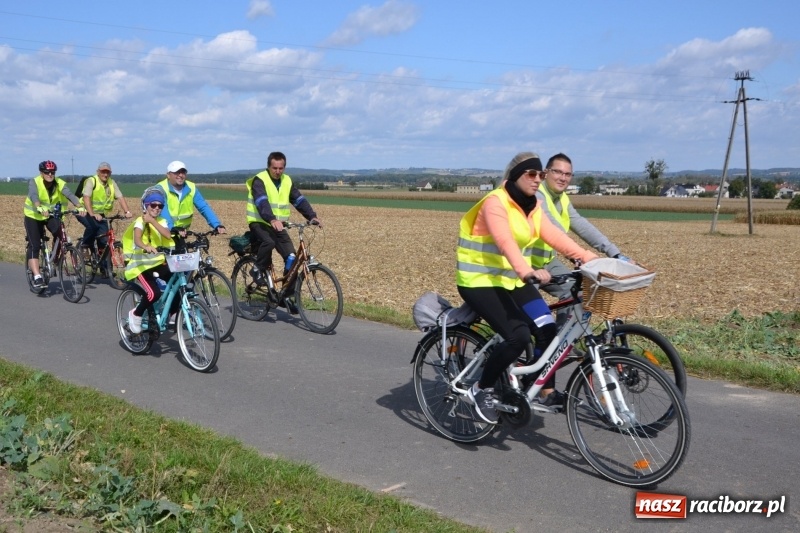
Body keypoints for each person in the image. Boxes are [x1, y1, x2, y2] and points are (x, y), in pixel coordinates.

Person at [456, 152, 599, 424]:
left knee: (546, 328)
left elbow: (555, 237)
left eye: (540, 175)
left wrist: (592, 260)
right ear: (515, 176)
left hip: (510, 280)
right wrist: (527, 271)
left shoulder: (532, 206)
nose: (537, 180)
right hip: (479, 281)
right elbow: (505, 241)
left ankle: (527, 388)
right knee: (518, 336)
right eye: (531, 174)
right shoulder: (495, 202)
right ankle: (480, 389)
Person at [534, 153, 631, 304]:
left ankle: (566, 328)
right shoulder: (536, 194)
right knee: (531, 312)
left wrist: (616, 253)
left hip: (545, 261)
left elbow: (582, 225)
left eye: (567, 174)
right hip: (523, 261)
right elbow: (554, 229)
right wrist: (578, 257)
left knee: (577, 294)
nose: (563, 178)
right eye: (557, 172)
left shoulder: (561, 198)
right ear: (546, 173)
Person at [245, 151, 322, 312]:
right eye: (275, 168)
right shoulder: (260, 180)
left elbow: (298, 200)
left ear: (284, 167)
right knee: (269, 242)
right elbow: (261, 202)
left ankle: (285, 296)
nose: (278, 171)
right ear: (268, 167)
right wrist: (272, 219)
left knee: (292, 258)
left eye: (281, 168)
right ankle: (257, 269)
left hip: (279, 225)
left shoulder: (286, 181)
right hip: (260, 222)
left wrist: (312, 216)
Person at [23, 160, 86, 288]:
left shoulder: (59, 183)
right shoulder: (34, 182)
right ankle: (37, 276)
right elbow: (34, 196)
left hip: (50, 215)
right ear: (41, 173)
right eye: (47, 172)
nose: (50, 174)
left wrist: (80, 206)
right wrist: (39, 207)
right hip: (33, 216)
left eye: (52, 172)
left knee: (60, 234)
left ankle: (54, 259)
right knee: (35, 245)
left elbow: (69, 195)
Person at [122, 187, 175, 334]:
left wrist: (152, 221)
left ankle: (173, 313)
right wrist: (146, 246)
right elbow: (137, 238)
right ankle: (136, 314)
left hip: (157, 263)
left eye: (160, 206)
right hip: (140, 266)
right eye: (153, 205)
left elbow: (167, 235)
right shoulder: (140, 221)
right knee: (153, 293)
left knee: (177, 281)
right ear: (146, 206)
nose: (157, 208)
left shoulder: (161, 221)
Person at [154, 161, 226, 251]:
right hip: (161, 234)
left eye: (183, 172)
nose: (180, 175)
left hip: (181, 234)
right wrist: (172, 227)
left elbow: (203, 207)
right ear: (168, 175)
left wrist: (217, 225)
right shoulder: (160, 189)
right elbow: (162, 211)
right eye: (177, 172)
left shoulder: (191, 187)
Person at [76, 161, 133, 255]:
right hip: (85, 211)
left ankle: (105, 268)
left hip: (100, 214)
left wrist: (127, 211)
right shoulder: (92, 181)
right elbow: (86, 197)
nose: (105, 174)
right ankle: (84, 245)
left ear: (110, 173)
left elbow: (120, 197)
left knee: (104, 240)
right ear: (98, 172)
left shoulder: (112, 183)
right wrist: (92, 214)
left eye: (107, 172)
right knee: (92, 227)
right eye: (103, 172)